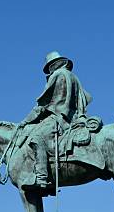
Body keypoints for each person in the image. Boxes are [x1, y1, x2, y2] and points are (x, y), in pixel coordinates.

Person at [18, 51, 92, 191]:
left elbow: (43, 106)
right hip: (74, 117)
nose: (49, 70)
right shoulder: (73, 77)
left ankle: (41, 178)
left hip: (60, 118)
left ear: (53, 65)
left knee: (36, 138)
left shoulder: (58, 75)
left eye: (49, 67)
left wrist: (25, 121)